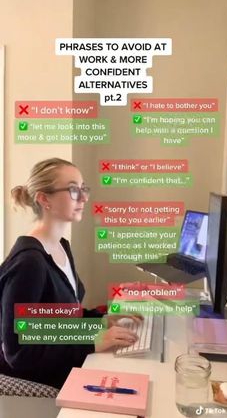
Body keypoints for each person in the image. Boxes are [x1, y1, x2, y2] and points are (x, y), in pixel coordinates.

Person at [0, 158, 139, 389]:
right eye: (73, 190)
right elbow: (19, 353)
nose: (84, 198)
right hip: (44, 380)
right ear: (44, 199)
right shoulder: (28, 264)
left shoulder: (61, 246)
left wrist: (98, 322)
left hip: (67, 363)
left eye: (83, 189)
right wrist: (91, 342)